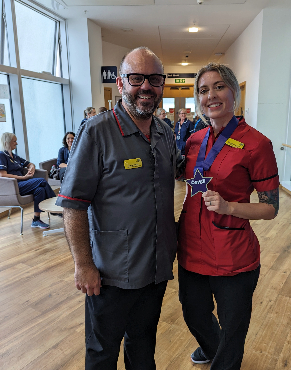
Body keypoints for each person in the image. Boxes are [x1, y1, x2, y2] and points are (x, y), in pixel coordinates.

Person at [56, 46, 184, 370]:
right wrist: (83, 264)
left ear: (162, 84)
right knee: (102, 354)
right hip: (110, 274)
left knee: (143, 349)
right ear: (120, 82)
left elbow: (185, 172)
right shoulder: (97, 132)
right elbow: (73, 205)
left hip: (155, 269)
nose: (146, 87)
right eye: (136, 78)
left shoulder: (165, 132)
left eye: (154, 79)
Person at [177, 63, 279, 370]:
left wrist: (229, 206)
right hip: (192, 248)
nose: (211, 95)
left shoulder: (257, 144)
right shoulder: (194, 140)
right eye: (204, 90)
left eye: (219, 86)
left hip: (232, 254)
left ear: (233, 92)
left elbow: (270, 208)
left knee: (233, 330)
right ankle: (212, 348)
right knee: (193, 313)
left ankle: (224, 359)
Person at [0, 132, 56, 229]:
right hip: (14, 187)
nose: (16, 143)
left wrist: (32, 167)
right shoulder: (1, 155)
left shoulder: (15, 156)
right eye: (14, 141)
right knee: (41, 181)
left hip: (23, 184)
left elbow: (29, 163)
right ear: (7, 142)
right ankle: (55, 207)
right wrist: (23, 177)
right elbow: (2, 174)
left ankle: (36, 220)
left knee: (40, 190)